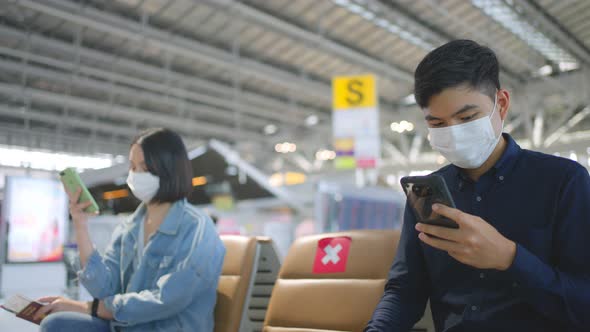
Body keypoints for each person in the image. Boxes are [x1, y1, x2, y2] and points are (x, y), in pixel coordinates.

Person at [365, 40, 590, 331]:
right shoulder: (426, 194)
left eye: (467, 117)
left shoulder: (564, 182)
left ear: (502, 104)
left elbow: (584, 303)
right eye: (438, 123)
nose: (454, 133)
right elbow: (405, 291)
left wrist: (510, 258)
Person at [36, 128, 226, 332]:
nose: (135, 175)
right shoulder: (129, 227)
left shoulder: (196, 228)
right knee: (55, 324)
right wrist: (81, 225)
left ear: (169, 169)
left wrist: (89, 308)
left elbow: (167, 299)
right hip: (126, 326)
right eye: (133, 166)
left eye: (144, 167)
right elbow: (104, 288)